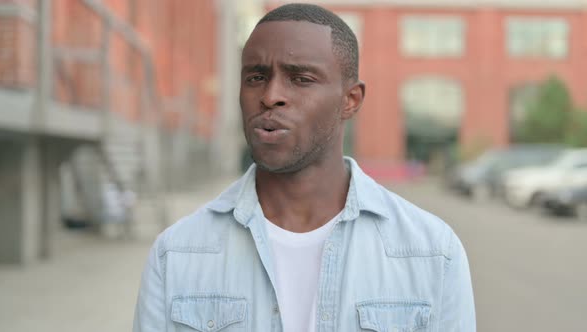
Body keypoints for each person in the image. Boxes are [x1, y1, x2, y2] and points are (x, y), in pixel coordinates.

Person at [133, 3, 475, 331]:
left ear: (350, 100)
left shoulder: (430, 253)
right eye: (255, 77)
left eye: (301, 79)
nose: (270, 95)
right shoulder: (177, 254)